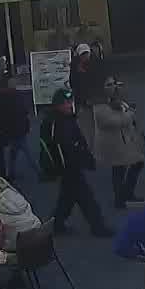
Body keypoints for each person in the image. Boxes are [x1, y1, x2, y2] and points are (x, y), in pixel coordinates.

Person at [40, 86, 109, 238]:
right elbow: (64, 147)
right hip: (69, 167)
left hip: (70, 167)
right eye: (65, 102)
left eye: (70, 101)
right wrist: (80, 160)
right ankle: (98, 227)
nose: (69, 105)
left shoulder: (65, 119)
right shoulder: (57, 122)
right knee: (86, 198)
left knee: (68, 198)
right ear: (57, 105)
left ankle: (56, 224)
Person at [0, 176, 45, 289]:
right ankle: (17, 278)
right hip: (39, 246)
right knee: (16, 236)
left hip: (19, 254)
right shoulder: (19, 198)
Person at [92, 77, 145, 209]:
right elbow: (113, 121)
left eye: (114, 84)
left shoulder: (116, 99)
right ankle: (120, 199)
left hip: (124, 140)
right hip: (113, 143)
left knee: (134, 164)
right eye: (109, 85)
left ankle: (126, 194)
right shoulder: (99, 105)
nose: (113, 87)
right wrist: (130, 114)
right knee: (119, 170)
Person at [0, 73, 34, 182]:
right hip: (18, 129)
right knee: (25, 152)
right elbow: (24, 112)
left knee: (14, 153)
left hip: (10, 130)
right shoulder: (16, 96)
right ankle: (37, 172)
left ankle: (10, 174)